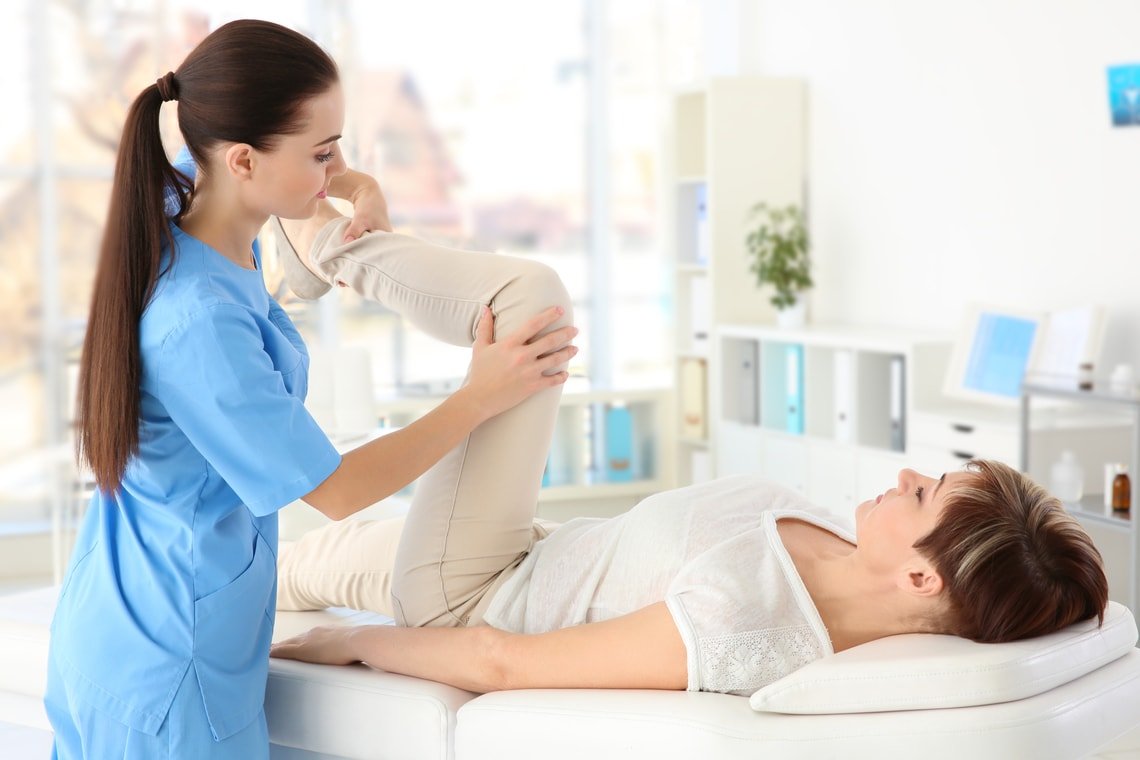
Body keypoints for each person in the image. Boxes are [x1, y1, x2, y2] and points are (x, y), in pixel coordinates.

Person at [269, 204, 1110, 697]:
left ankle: (327, 248)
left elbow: (503, 661)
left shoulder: (748, 620)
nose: (906, 475)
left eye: (924, 495)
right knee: (288, 570)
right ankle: (305, 262)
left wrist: (354, 645)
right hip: (530, 551)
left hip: (472, 594)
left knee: (532, 304)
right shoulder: (848, 550)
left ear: (923, 579)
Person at [46, 19, 576, 759]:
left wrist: (355, 185)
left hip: (115, 625)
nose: (333, 169)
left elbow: (288, 185)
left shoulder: (191, 201)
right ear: (243, 160)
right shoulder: (198, 323)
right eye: (322, 153)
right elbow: (337, 490)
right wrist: (479, 395)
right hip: (170, 669)